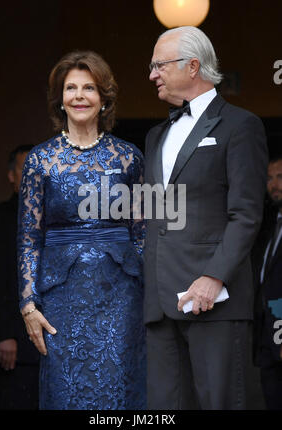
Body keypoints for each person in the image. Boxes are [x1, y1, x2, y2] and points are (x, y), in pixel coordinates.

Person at [144, 26, 268, 410]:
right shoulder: (155, 135)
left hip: (215, 299)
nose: (152, 75)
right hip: (161, 302)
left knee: (221, 402)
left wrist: (214, 277)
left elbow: (246, 213)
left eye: (159, 65)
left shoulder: (240, 125)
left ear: (192, 66)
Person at [17, 50, 146, 410]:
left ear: (104, 98)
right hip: (61, 298)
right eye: (70, 88)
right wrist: (28, 304)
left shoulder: (129, 157)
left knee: (120, 390)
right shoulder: (40, 160)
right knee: (65, 391)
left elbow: (142, 232)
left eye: (88, 88)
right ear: (60, 99)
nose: (79, 96)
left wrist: (152, 292)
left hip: (121, 295)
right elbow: (30, 237)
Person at [0, 145, 39, 410]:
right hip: (11, 348)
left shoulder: (54, 220)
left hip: (51, 349)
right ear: (11, 176)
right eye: (23, 169)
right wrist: (2, 335)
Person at [253, 156, 282, 410]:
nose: (274, 185)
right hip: (266, 329)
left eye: (280, 177)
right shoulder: (270, 224)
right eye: (269, 178)